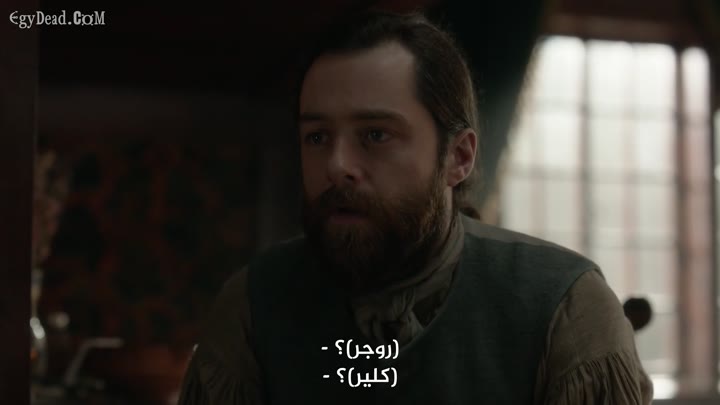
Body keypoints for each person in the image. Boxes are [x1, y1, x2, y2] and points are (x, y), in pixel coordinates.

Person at [178, 11, 653, 404]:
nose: (337, 166)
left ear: (458, 157)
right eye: (317, 137)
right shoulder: (252, 308)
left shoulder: (564, 308)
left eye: (375, 135)